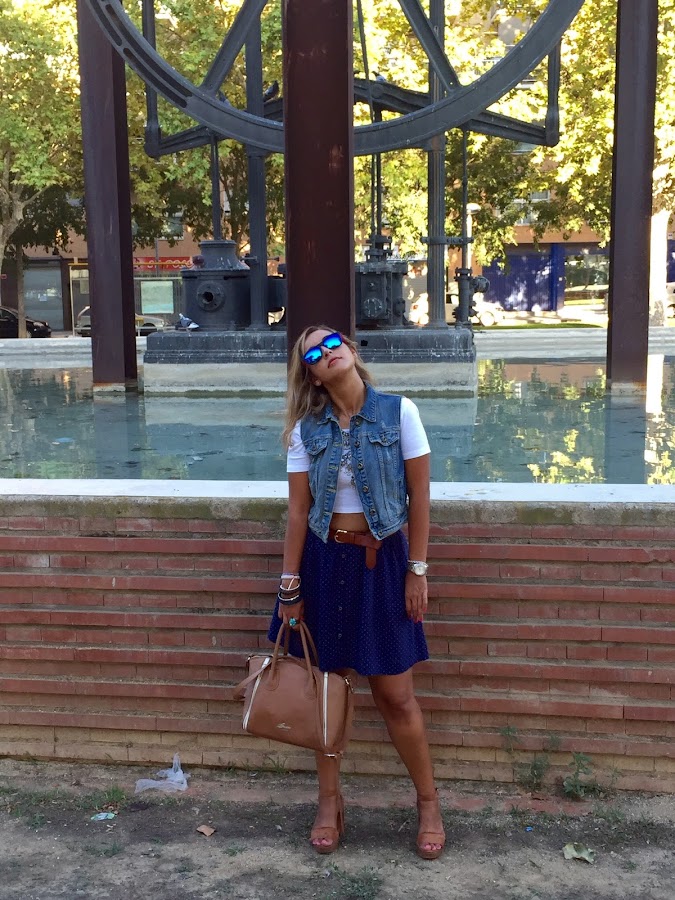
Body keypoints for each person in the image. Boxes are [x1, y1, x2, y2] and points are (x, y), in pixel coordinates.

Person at [268, 324, 445, 859]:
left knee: (396, 696)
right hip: (324, 564)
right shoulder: (306, 431)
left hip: (383, 563)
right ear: (312, 376)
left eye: (332, 343)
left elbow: (420, 496)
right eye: (313, 354)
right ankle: (329, 802)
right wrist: (289, 584)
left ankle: (429, 803)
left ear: (349, 349)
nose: (327, 353)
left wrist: (417, 570)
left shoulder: (400, 412)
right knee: (329, 695)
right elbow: (297, 512)